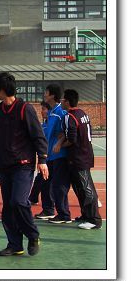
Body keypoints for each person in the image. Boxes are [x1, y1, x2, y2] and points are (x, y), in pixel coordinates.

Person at [0, 72, 48, 257]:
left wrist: (42, 160)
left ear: (2, 89)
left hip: (23, 165)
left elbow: (38, 136)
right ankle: (15, 244)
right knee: (8, 207)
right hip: (4, 165)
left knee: (18, 202)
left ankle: (33, 235)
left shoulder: (25, 109)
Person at [54, 89, 102, 230]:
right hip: (85, 154)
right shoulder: (82, 113)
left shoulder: (69, 116)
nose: (61, 102)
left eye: (63, 100)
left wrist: (59, 145)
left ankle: (94, 220)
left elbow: (72, 139)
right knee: (80, 187)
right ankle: (86, 215)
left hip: (78, 157)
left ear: (67, 101)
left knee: (86, 188)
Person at [40, 83, 72, 224]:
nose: (44, 94)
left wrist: (60, 142)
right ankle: (49, 210)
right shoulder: (52, 112)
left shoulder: (61, 113)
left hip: (60, 156)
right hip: (50, 155)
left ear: (52, 95)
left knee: (58, 186)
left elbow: (66, 132)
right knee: (46, 184)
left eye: (46, 92)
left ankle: (64, 215)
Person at [29, 101, 53, 208]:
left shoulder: (53, 124)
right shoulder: (43, 126)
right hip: (46, 159)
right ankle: (33, 198)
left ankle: (93, 199)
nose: (42, 111)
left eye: (44, 109)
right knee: (40, 178)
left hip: (54, 158)